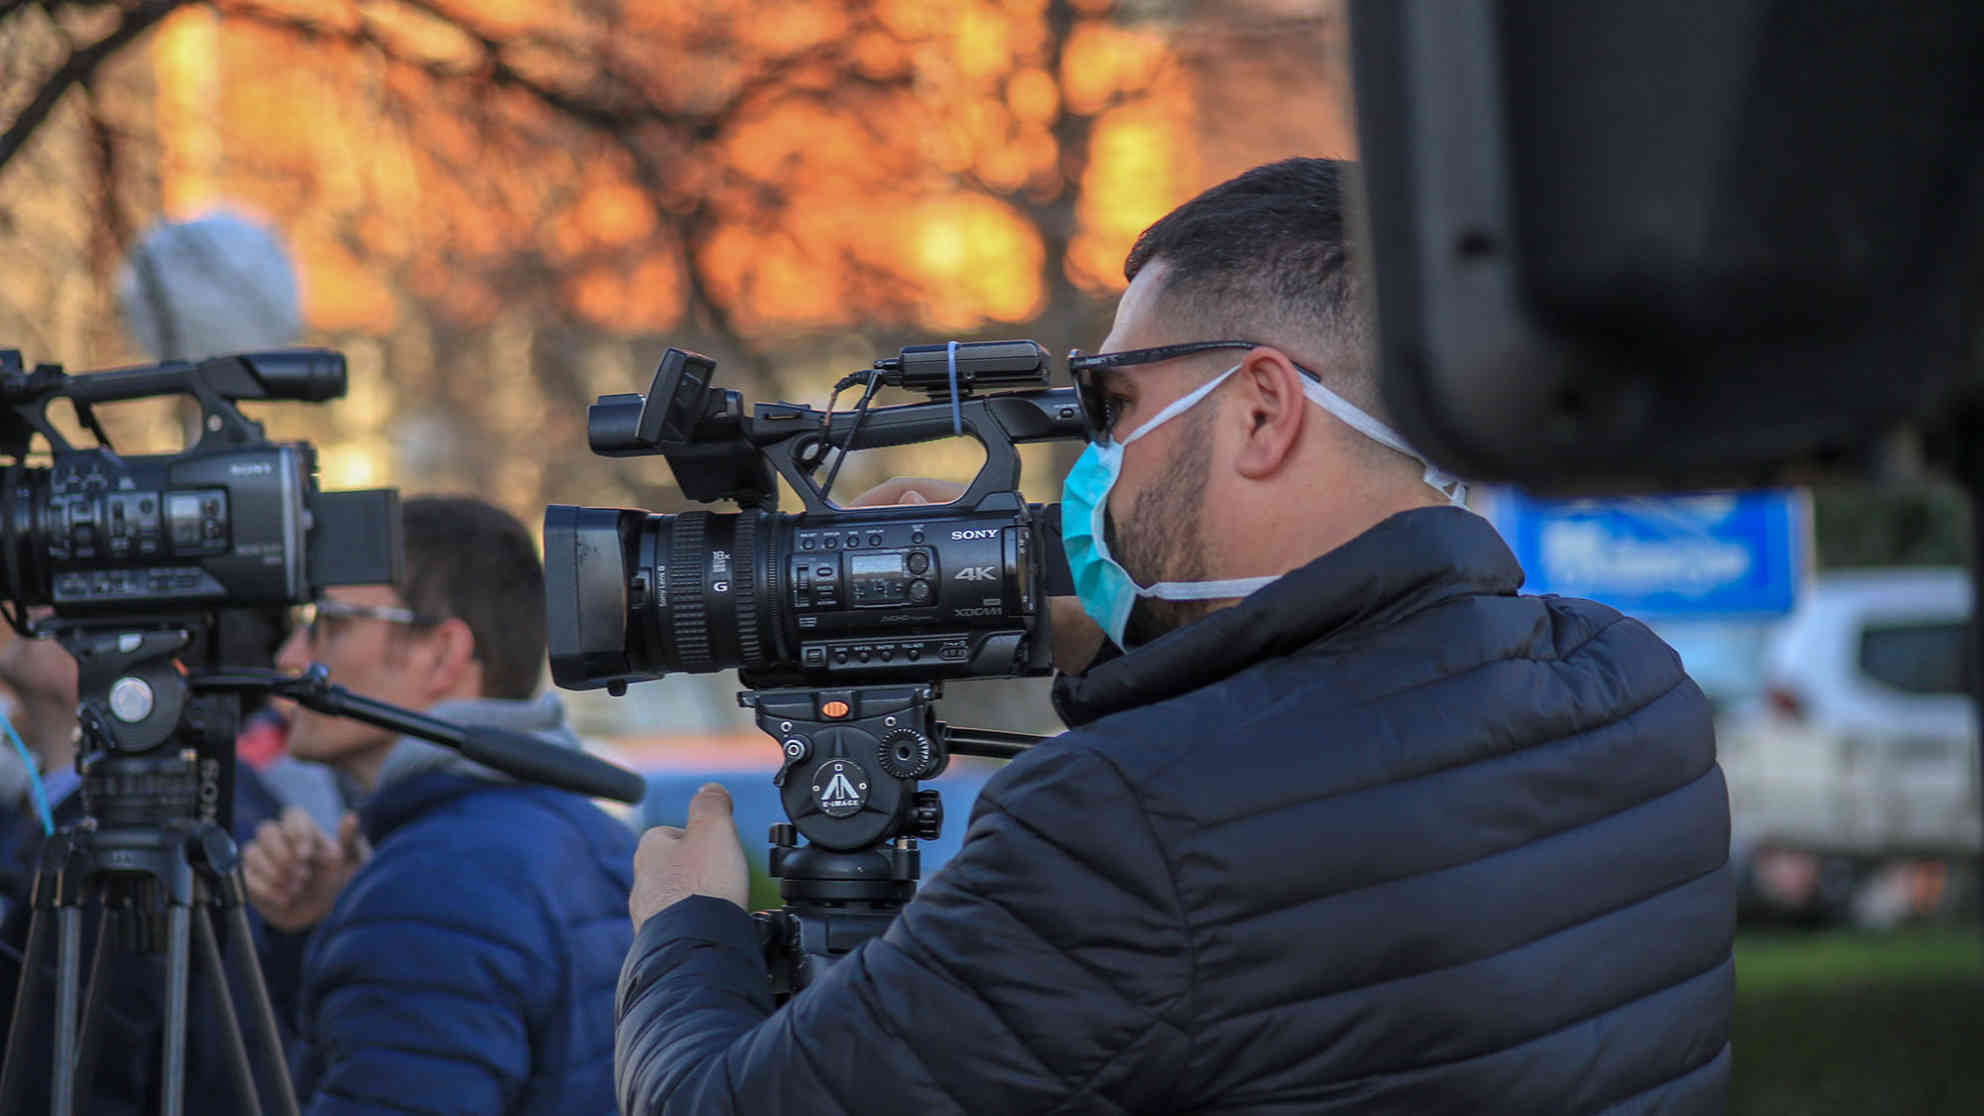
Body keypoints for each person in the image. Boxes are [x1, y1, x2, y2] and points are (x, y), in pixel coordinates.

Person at [613, 158, 1734, 1113]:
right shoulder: (1632, 688)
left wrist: (689, 928)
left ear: (1262, 409)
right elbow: (1324, 745)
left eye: (1113, 406)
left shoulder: (1118, 827)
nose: (1097, 458)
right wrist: (1095, 626)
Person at [239, 494, 632, 1116]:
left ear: (442, 654)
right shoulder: (585, 833)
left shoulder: (433, 882)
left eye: (329, 622)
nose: (290, 657)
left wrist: (388, 912)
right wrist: (326, 925)